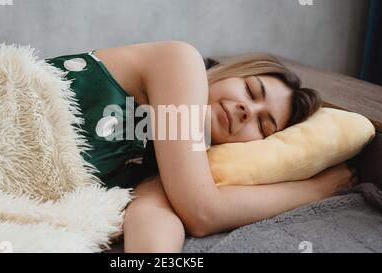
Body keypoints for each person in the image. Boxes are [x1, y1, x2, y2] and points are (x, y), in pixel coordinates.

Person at [45, 41, 357, 253]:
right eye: (250, 90)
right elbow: (203, 212)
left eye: (263, 125)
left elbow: (152, 217)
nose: (247, 110)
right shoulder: (178, 61)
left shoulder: (173, 170)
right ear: (231, 72)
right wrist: (317, 190)